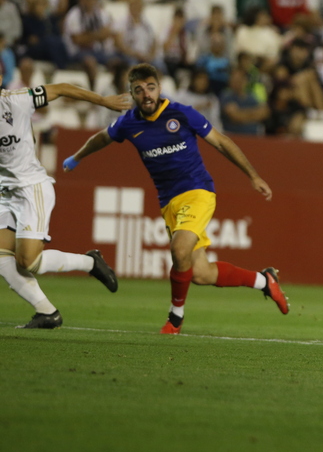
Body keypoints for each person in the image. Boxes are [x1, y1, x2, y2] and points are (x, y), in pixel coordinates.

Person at [63, 64, 288, 334]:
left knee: (180, 250)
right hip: (169, 203)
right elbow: (102, 138)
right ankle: (265, 281)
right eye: (138, 90)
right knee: (201, 273)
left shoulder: (181, 113)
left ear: (159, 87)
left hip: (198, 191)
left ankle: (175, 319)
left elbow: (221, 142)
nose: (146, 94)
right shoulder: (128, 122)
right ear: (131, 93)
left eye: (150, 87)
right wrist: (76, 157)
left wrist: (253, 175)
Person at [0, 83, 127, 329]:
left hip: (31, 188)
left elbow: (62, 88)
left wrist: (103, 101)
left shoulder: (17, 100)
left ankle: (90, 263)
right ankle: (47, 312)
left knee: (28, 262)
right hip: (4, 192)